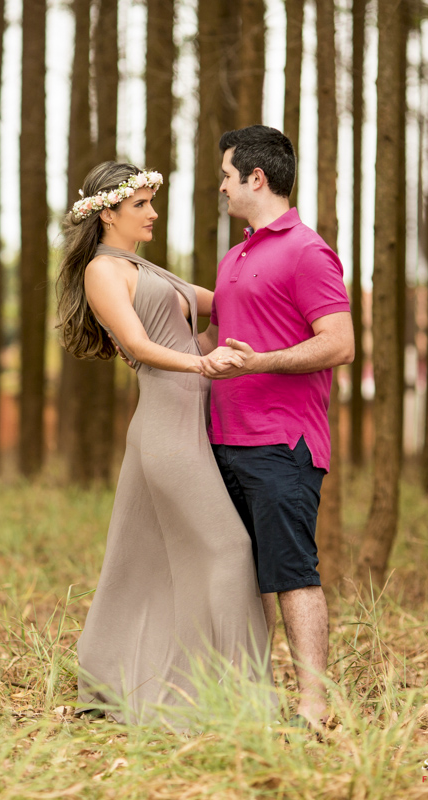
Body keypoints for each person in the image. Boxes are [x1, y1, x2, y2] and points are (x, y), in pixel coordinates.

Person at [59, 160, 272, 729]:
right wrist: (201, 360)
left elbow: (224, 300)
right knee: (229, 549)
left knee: (141, 561)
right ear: (108, 213)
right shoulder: (104, 272)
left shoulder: (140, 264)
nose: (152, 213)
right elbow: (138, 343)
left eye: (152, 203)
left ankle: (117, 682)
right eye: (140, 206)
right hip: (167, 429)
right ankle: (238, 703)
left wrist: (267, 259)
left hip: (195, 422)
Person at [200, 125, 354, 731]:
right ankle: (254, 698)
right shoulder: (234, 256)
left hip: (282, 443)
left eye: (227, 175)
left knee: (290, 571)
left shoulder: (307, 252)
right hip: (224, 440)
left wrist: (260, 361)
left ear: (256, 179)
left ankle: (313, 706)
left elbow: (339, 344)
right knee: (243, 576)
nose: (221, 185)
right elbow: (214, 341)